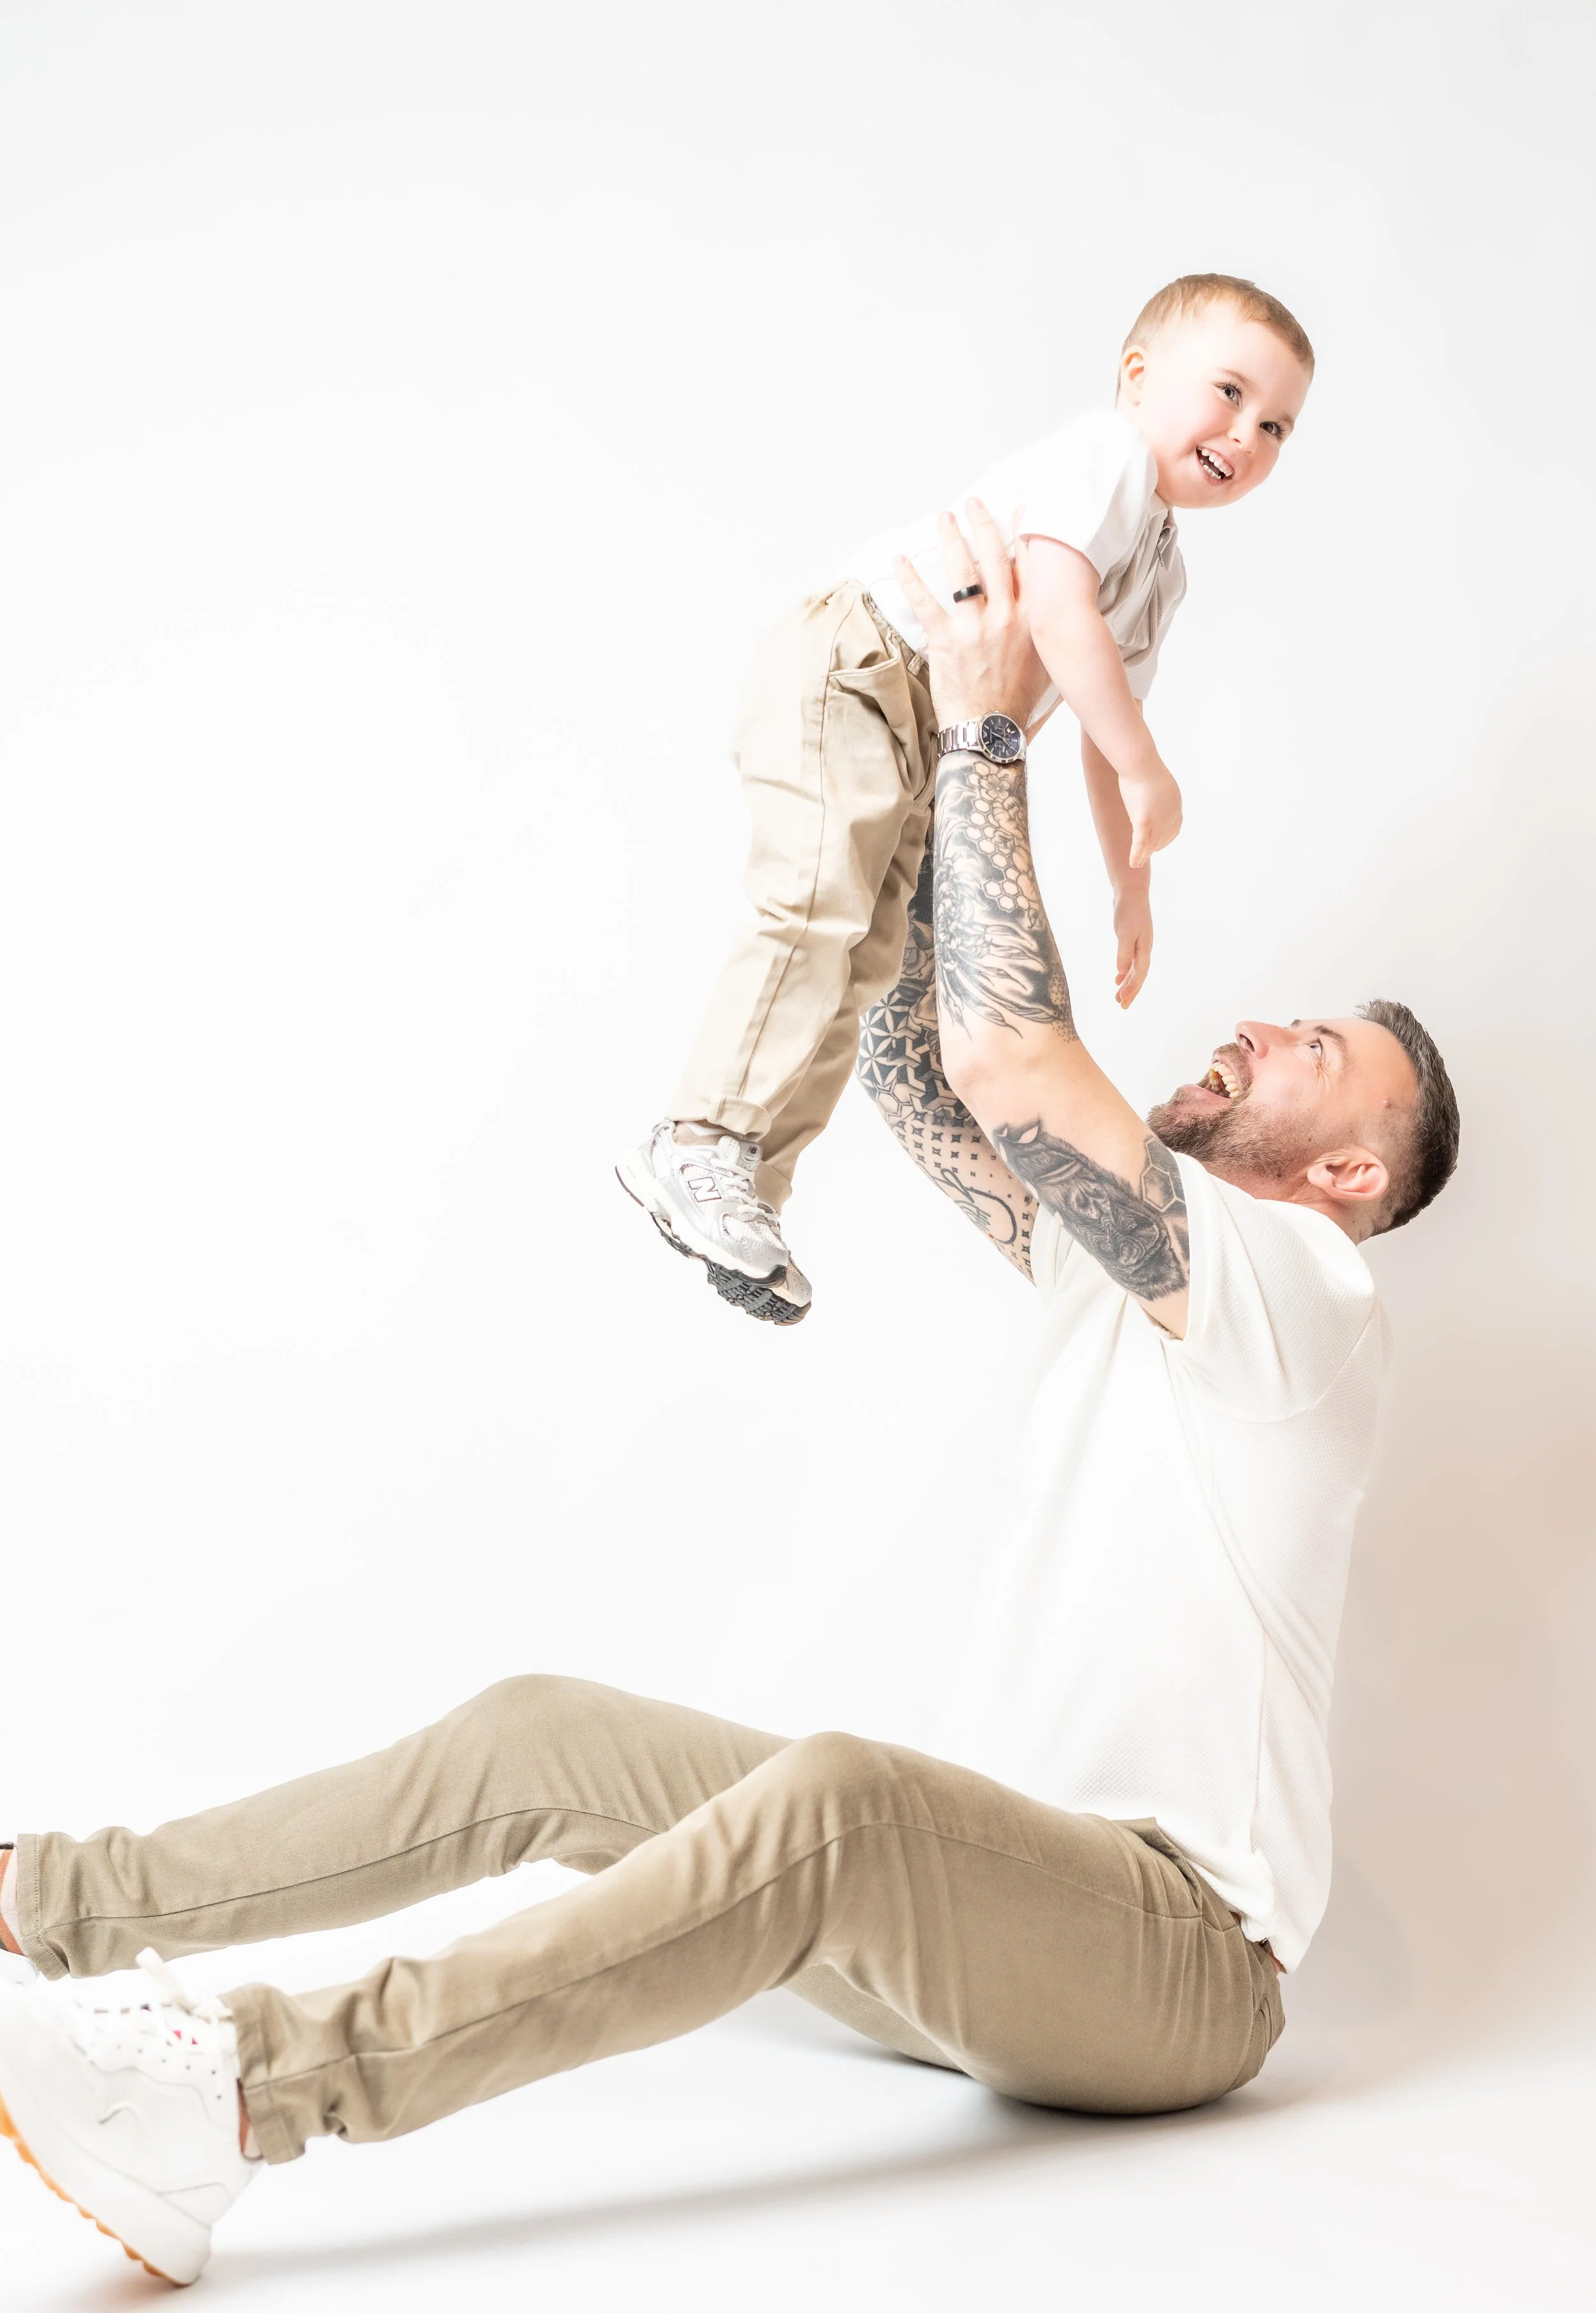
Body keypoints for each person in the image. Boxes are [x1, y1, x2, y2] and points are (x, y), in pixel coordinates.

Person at [0, 508, 1458, 2290]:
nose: (1264, 1028)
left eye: (1317, 1056)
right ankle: (39, 1900)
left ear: (1344, 1179)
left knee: (839, 1788)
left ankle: (233, 2093)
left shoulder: (1310, 1295)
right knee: (541, 1728)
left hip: (1172, 1959)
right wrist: (917, 736)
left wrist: (1000, 727)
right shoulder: (1137, 1271)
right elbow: (933, 1071)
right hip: (1008, 1912)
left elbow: (1014, 1054)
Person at [618, 273, 1314, 1323]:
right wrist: (1143, 765)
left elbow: (1096, 709)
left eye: (1275, 427)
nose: (1246, 435)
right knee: (816, 908)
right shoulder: (1108, 458)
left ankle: (750, 1188)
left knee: (862, 964)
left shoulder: (1163, 567)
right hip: (860, 668)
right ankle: (700, 1136)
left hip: (928, 733)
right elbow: (1061, 609)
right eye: (1226, 392)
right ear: (1137, 378)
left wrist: (1135, 888)